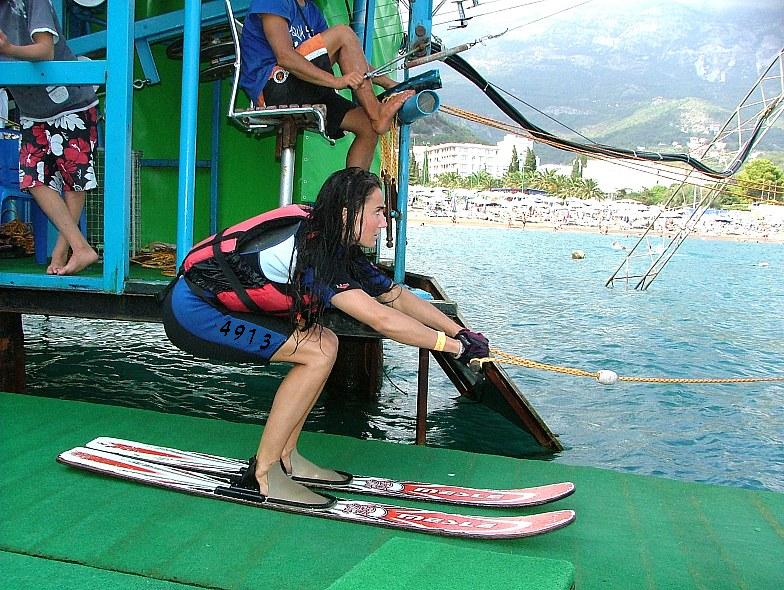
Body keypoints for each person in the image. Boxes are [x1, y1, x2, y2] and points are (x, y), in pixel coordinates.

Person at [162, 167, 490, 507]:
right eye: (378, 212)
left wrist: (460, 331)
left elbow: (394, 295)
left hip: (208, 306)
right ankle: (263, 475)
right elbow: (382, 319)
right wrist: (453, 348)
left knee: (325, 343)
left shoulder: (334, 238)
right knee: (316, 352)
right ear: (348, 214)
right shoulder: (314, 254)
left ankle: (287, 457)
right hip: (194, 312)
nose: (384, 223)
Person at [239, 0, 416, 170]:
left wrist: (389, 83)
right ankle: (377, 114)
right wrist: (336, 81)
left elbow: (349, 55)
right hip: (274, 87)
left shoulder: (312, 11)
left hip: (303, 87)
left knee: (367, 126)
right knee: (343, 33)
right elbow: (285, 56)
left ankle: (354, 190)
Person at [0, 0, 99, 275]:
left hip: (71, 103)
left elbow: (45, 49)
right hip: (32, 111)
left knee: (74, 180)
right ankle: (79, 247)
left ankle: (65, 248)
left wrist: (8, 48)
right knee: (32, 179)